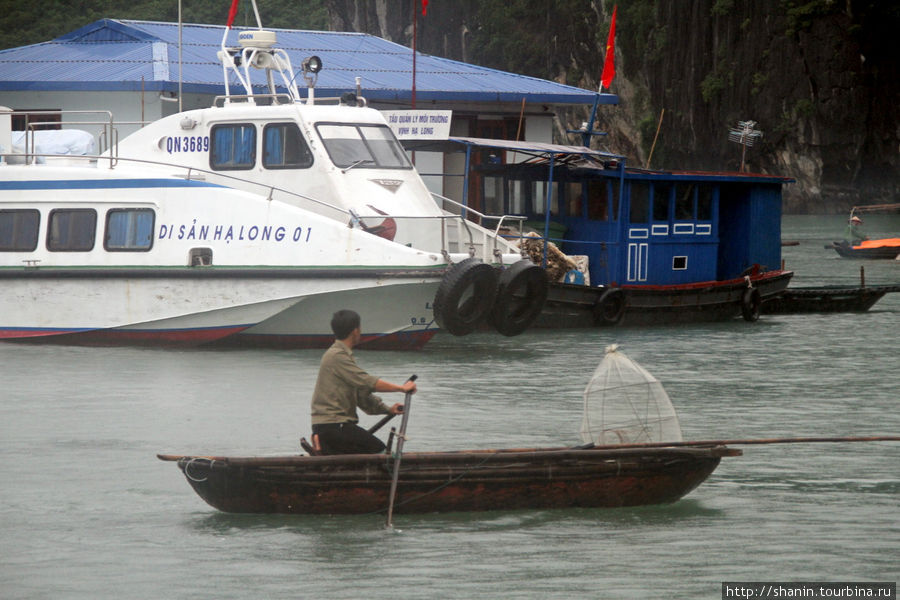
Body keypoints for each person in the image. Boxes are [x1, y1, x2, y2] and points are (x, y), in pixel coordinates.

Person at [310, 309, 417, 455]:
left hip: (334, 427)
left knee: (368, 455)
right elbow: (367, 382)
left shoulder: (342, 356)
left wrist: (388, 409)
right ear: (355, 331)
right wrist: (402, 388)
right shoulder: (337, 356)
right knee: (380, 452)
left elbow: (361, 394)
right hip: (333, 427)